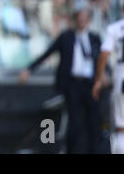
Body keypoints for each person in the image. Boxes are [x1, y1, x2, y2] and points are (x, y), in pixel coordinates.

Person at [19, 8, 103, 153]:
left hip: (90, 83)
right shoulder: (66, 37)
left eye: (84, 19)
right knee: (73, 122)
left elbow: (102, 59)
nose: (81, 21)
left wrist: (104, 74)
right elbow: (47, 53)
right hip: (73, 84)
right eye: (79, 18)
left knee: (94, 121)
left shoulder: (94, 38)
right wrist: (29, 69)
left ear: (89, 21)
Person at [92, 5, 124, 154]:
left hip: (121, 80)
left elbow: (104, 55)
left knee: (121, 126)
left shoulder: (115, 28)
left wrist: (98, 79)